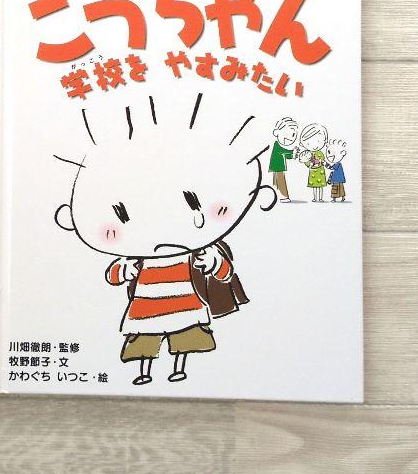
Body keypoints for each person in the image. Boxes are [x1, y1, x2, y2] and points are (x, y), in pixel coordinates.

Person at [54, 94, 270, 386]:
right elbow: (113, 275)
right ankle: (144, 373)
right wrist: (124, 270)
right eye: (123, 216)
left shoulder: (200, 251)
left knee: (187, 339)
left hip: (187, 306)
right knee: (143, 343)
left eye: (194, 204)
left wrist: (215, 262)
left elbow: (224, 274)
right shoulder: (136, 256)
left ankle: (178, 368)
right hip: (144, 310)